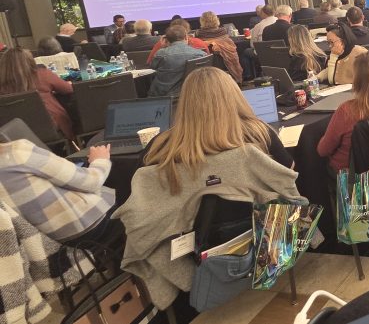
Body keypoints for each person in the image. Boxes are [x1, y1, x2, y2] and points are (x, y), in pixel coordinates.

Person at [114, 67, 298, 310]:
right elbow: (287, 178)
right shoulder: (259, 133)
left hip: (185, 244)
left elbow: (143, 206)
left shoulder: (159, 148)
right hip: (257, 231)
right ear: (234, 95)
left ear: (185, 103)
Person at [0, 140, 116, 243]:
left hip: (48, 244)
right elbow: (92, 181)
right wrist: (100, 159)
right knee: (129, 185)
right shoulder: (17, 153)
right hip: (86, 227)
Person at [0, 48, 74, 141]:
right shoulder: (42, 74)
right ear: (30, 61)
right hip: (50, 128)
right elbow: (68, 89)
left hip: (14, 135)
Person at [148, 26, 206, 97]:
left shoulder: (161, 54)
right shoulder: (201, 54)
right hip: (193, 94)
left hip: (163, 96)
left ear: (167, 40)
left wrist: (163, 47)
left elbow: (152, 68)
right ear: (186, 37)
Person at [196, 11, 244, 82]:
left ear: (202, 21)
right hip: (227, 64)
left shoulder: (199, 34)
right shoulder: (223, 32)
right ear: (216, 20)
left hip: (211, 65)